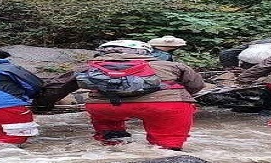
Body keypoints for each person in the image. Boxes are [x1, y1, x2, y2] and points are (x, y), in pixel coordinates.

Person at [35, 40, 205, 150]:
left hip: (106, 106)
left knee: (108, 126)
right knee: (167, 144)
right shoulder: (170, 65)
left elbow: (57, 87)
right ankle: (169, 151)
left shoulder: (88, 66)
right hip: (165, 106)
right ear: (146, 52)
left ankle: (114, 144)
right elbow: (196, 85)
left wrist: (42, 104)